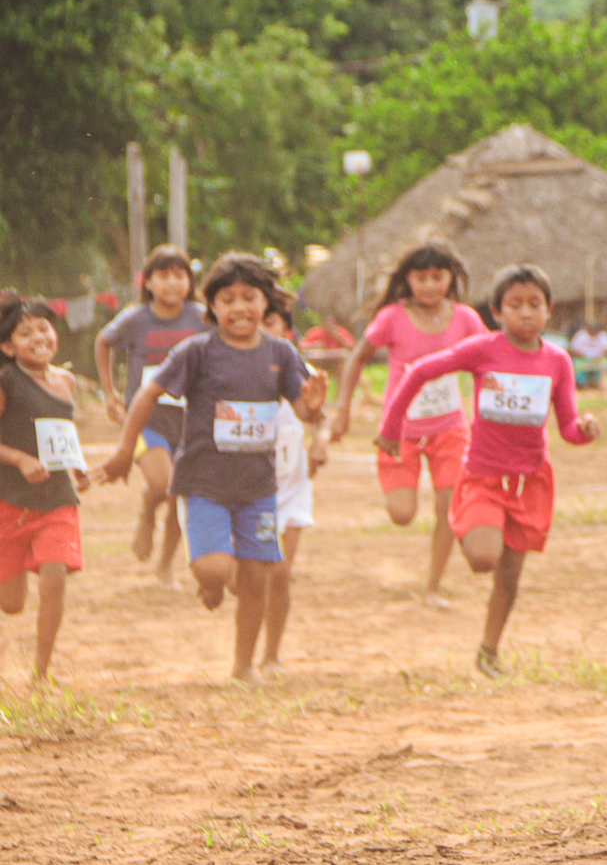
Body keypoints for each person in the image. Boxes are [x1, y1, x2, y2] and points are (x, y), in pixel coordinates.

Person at [94, 254, 329, 686]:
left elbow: (302, 407)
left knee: (256, 580)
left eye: (249, 297)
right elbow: (148, 394)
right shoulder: (198, 351)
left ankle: (243, 666)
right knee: (214, 570)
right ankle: (212, 582)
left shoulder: (281, 353)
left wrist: (311, 409)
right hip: (203, 483)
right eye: (228, 299)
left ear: (265, 302)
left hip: (259, 488)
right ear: (213, 306)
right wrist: (126, 450)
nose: (239, 307)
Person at [379, 265, 596, 677]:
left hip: (530, 481)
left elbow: (567, 425)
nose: (526, 313)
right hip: (483, 477)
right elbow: (420, 371)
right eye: (515, 305)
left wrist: (584, 430)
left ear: (548, 309)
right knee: (482, 557)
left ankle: (489, 651)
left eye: (535, 304)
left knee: (509, 576)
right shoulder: (483, 350)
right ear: (497, 312)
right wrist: (392, 428)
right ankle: (465, 520)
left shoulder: (557, 361)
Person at [329, 243, 485, 608]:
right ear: (408, 279)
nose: (429, 285)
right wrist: (343, 409)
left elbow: (488, 360)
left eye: (437, 277)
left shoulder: (465, 318)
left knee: (448, 505)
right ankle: (397, 491)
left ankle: (433, 586)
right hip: (399, 433)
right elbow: (358, 357)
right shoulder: (392, 318)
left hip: (450, 429)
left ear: (450, 278)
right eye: (421, 278)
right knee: (402, 514)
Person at [95, 245, 205, 584]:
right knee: (164, 485)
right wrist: (110, 392)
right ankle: (147, 509)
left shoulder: (202, 317)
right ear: (148, 282)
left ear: (190, 282)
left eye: (180, 275)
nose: (172, 282)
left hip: (190, 422)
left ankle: (166, 564)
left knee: (181, 494)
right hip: (146, 420)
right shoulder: (135, 318)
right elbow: (103, 341)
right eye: (163, 275)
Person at [0, 298, 92, 683]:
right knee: (11, 604)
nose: (38, 337)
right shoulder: (6, 381)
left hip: (57, 498)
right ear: (8, 346)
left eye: (44, 328)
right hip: (9, 500)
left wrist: (78, 467)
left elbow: (61, 433)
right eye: (25, 333)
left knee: (55, 578)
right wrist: (20, 459)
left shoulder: (66, 381)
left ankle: (40, 673)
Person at [259, 308, 327, 681]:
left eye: (270, 323)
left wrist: (320, 440)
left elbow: (321, 414)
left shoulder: (298, 369)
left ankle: (272, 655)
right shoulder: (228, 367)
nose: (260, 329)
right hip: (245, 487)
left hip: (290, 487)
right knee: (246, 577)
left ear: (287, 331)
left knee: (281, 573)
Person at [568, 321, 607, 388]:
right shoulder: (581, 335)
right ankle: (581, 383)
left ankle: (598, 383)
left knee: (605, 365)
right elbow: (573, 350)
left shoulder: (603, 336)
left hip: (598, 359)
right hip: (583, 359)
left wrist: (599, 355)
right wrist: (583, 355)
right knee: (578, 365)